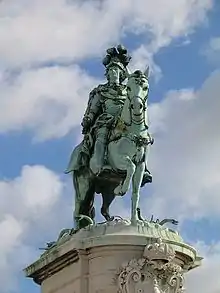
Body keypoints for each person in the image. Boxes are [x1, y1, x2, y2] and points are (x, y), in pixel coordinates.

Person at [81, 45, 131, 175]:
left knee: (140, 137)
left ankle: (143, 166)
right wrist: (88, 119)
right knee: (101, 137)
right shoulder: (101, 91)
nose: (114, 73)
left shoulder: (129, 91)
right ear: (107, 74)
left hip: (123, 122)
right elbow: (93, 109)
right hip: (106, 120)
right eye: (111, 71)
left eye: (116, 70)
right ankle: (100, 164)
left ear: (121, 74)